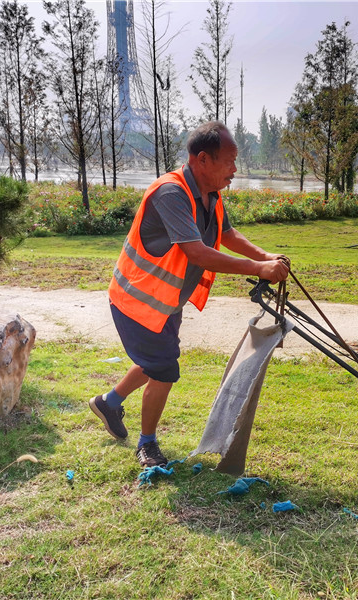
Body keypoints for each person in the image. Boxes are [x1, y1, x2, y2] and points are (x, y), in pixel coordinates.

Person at [90, 121, 290, 468]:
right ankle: (147, 443)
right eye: (229, 161)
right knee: (164, 368)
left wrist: (266, 256)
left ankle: (110, 402)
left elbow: (227, 234)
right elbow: (196, 252)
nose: (235, 169)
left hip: (164, 302)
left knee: (157, 360)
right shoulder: (171, 193)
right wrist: (259, 269)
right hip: (136, 301)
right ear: (203, 160)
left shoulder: (210, 194)